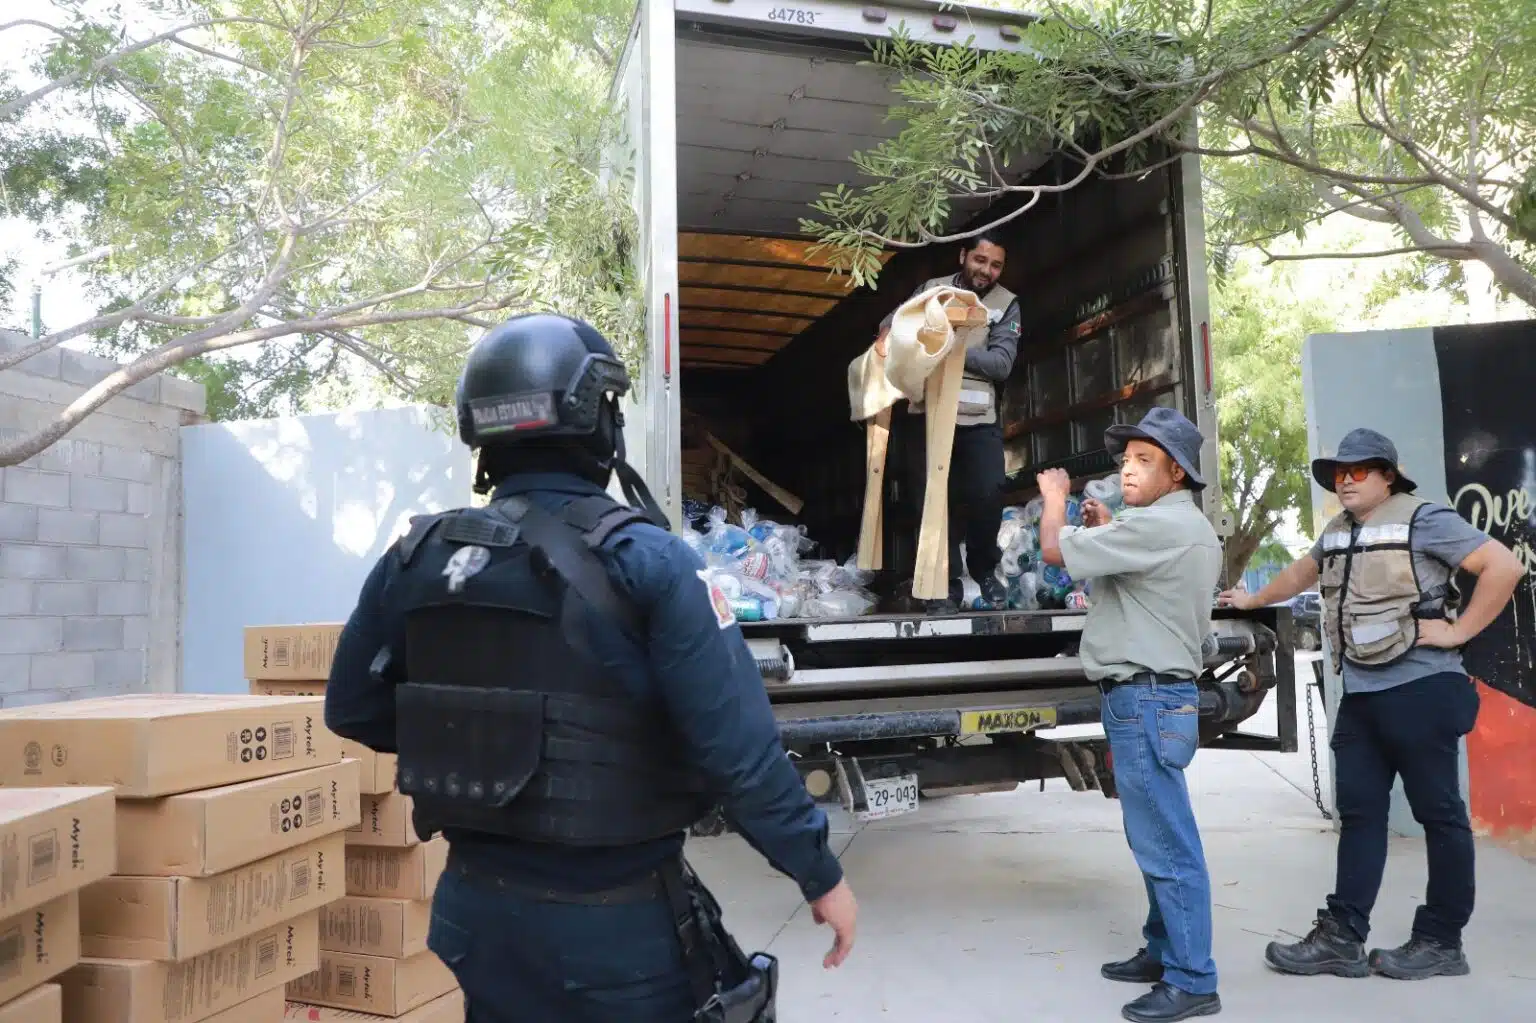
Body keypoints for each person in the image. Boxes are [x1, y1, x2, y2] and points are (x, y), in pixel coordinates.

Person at [323, 313, 858, 1022]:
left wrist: (476, 737)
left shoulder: (416, 558)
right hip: (616, 934)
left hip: (474, 917)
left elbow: (351, 708)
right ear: (595, 423)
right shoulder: (649, 560)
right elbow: (738, 750)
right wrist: (818, 873)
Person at [1219, 427, 1521, 981]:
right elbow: (1301, 573)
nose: (1346, 480)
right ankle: (1342, 937)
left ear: (1388, 475)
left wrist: (1459, 633)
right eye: (1339, 472)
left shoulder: (1423, 518)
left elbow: (1504, 567)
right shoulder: (1337, 530)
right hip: (1360, 696)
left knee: (1440, 817)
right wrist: (1254, 598)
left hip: (1421, 690)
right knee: (1360, 816)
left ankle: (1441, 940)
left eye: (1359, 470)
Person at [1038, 407, 1223, 1023]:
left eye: (1144, 460)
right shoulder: (1175, 528)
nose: (1127, 468)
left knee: (1167, 843)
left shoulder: (1160, 526)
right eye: (1126, 458)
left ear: (1177, 473)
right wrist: (1111, 526)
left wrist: (1055, 499)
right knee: (1155, 837)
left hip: (1145, 699)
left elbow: (1052, 551)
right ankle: (1165, 950)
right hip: (1154, 697)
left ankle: (1193, 978)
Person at [874, 232, 1022, 613]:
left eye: (995, 265)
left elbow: (1002, 365)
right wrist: (888, 334)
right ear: (963, 256)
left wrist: (949, 346)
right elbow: (896, 322)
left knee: (988, 494)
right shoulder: (933, 291)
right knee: (931, 503)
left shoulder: (1006, 305)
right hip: (928, 417)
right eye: (980, 260)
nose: (986, 270)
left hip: (978, 422)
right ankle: (947, 585)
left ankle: (984, 568)